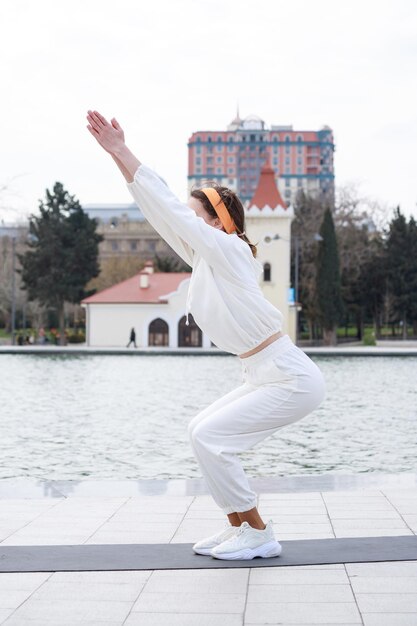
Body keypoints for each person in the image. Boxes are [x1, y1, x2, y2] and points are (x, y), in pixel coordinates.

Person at [86, 109, 326, 561]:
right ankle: (238, 526)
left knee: (214, 438)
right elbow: (163, 215)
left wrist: (123, 149)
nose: (186, 221)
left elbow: (174, 213)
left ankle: (259, 533)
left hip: (289, 375)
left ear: (215, 222)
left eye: (196, 215)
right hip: (261, 372)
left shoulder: (231, 250)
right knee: (200, 431)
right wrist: (117, 159)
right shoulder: (205, 258)